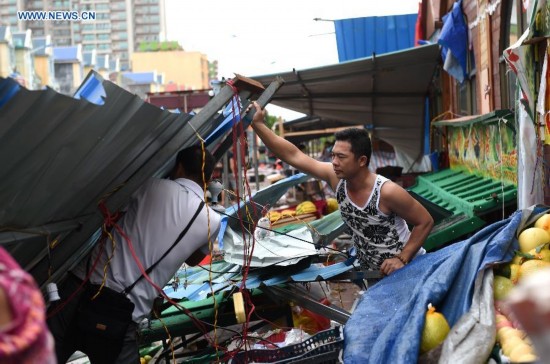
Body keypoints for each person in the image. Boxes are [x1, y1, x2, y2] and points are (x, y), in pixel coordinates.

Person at [47, 145, 222, 363]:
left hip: (80, 291)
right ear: (208, 177)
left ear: (178, 167)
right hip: (125, 315)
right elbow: (194, 260)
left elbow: (113, 215)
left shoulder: (151, 185)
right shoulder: (211, 220)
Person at [250, 101, 434, 277]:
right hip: (374, 275)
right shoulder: (336, 179)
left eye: (341, 157)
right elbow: (293, 155)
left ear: (362, 161)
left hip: (409, 270)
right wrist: (258, 125)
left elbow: (425, 221)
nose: (334, 162)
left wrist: (402, 258)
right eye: (333, 156)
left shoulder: (387, 192)